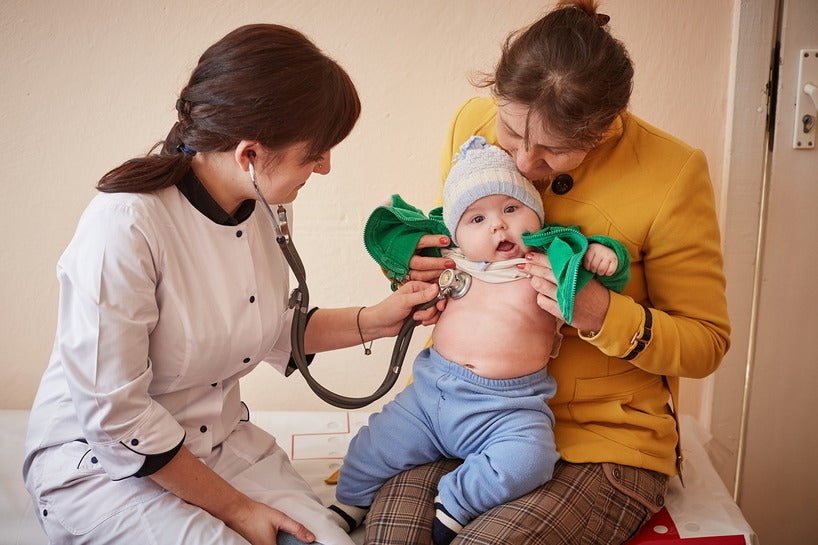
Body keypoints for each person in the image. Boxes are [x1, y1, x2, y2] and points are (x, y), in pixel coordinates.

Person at [21, 24, 440, 545]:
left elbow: (264, 328)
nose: (326, 167)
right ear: (249, 154)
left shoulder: (267, 207)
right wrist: (239, 511)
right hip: (107, 466)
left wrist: (377, 318)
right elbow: (117, 418)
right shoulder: (125, 226)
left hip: (217, 446)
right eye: (316, 153)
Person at [363, 1, 731, 545]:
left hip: (603, 439)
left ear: (605, 126)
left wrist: (604, 315)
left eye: (554, 151)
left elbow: (708, 342)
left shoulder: (672, 172)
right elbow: (456, 240)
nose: (526, 163)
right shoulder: (473, 125)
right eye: (512, 134)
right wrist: (416, 265)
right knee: (388, 538)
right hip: (458, 410)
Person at [329, 136, 630, 545]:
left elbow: (598, 269)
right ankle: (348, 503)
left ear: (537, 216)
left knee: (531, 458)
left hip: (508, 407)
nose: (498, 225)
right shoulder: (453, 258)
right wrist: (408, 249)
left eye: (511, 208)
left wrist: (600, 254)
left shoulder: (546, 261)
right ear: (453, 232)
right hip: (430, 398)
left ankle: (457, 501)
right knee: (375, 442)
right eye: (477, 219)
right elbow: (387, 228)